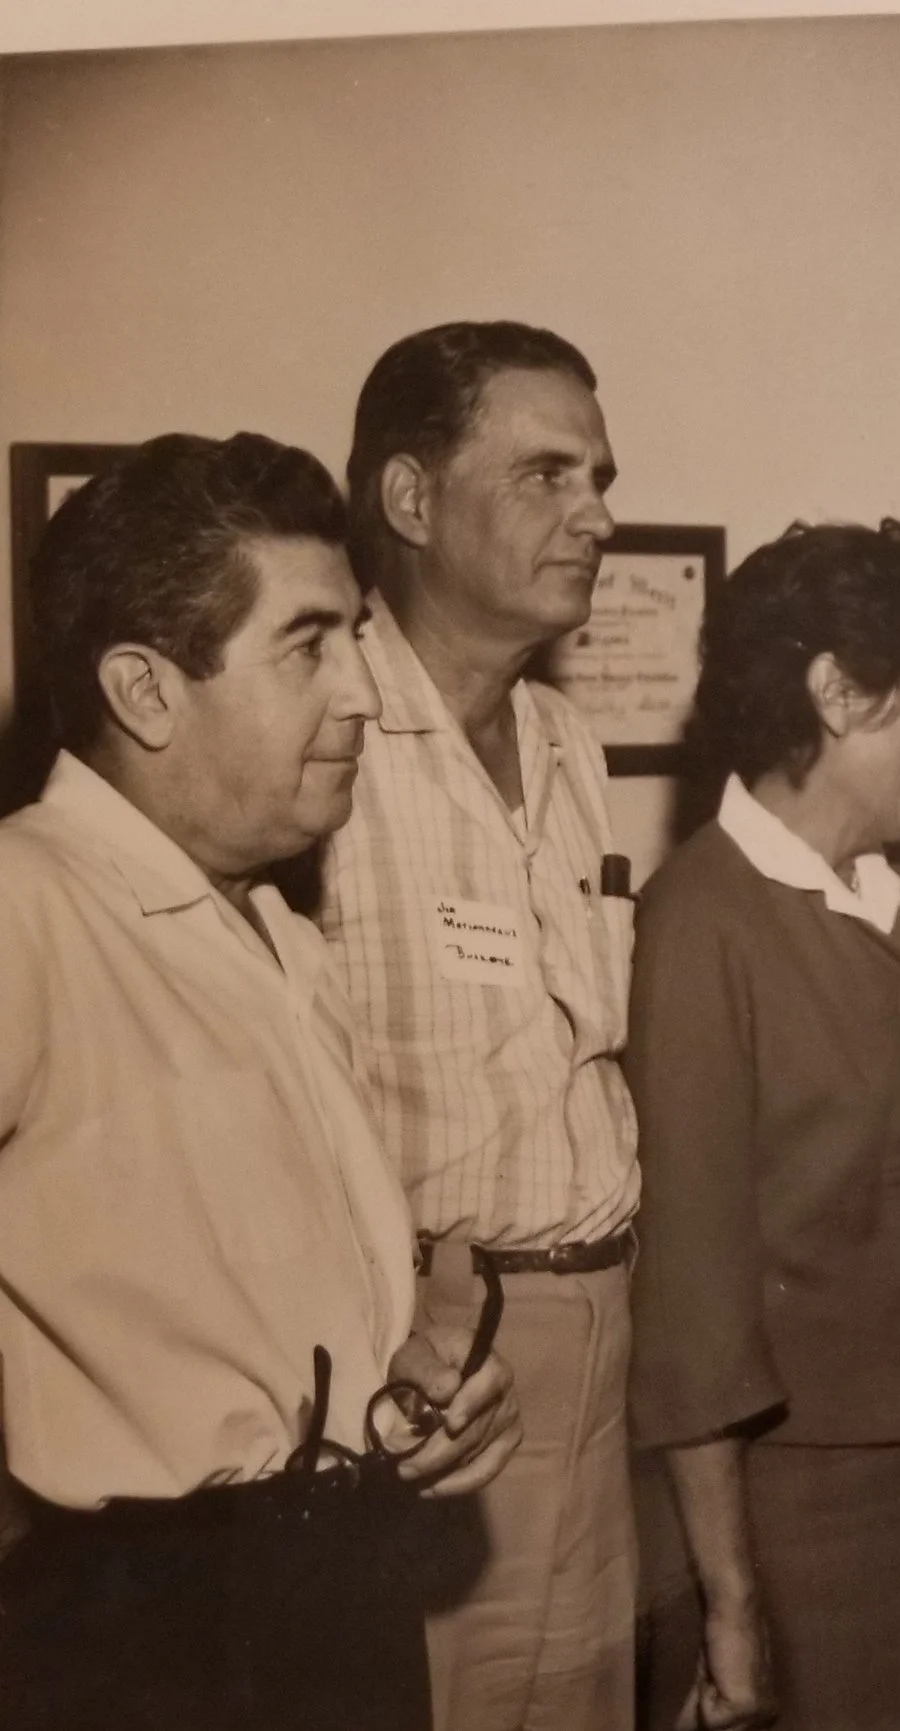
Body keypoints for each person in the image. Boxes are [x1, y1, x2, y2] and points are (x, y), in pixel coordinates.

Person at [0, 432, 521, 1730]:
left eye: (356, 637)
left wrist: (415, 1383)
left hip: (333, 1583)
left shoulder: (272, 928)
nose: (364, 694)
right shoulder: (25, 904)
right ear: (146, 690)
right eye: (307, 646)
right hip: (144, 1636)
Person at [627, 518, 900, 1731]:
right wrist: (730, 1604)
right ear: (837, 692)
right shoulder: (699, 924)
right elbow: (693, 1321)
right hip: (800, 1527)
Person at [321, 320, 640, 1730]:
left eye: (600, 478)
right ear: (410, 498)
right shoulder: (317, 732)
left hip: (603, 1326)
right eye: (546, 474)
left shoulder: (570, 742)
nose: (598, 516)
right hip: (434, 1349)